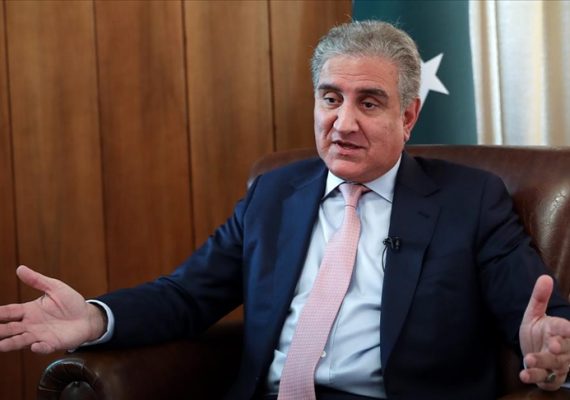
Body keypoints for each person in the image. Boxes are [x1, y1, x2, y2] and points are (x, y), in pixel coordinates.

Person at [1, 20, 570, 400]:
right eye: (330, 98)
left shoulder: (470, 200)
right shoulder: (274, 194)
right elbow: (187, 295)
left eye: (369, 103)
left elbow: (539, 320)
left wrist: (549, 345)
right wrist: (95, 318)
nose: (342, 123)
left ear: (408, 117)